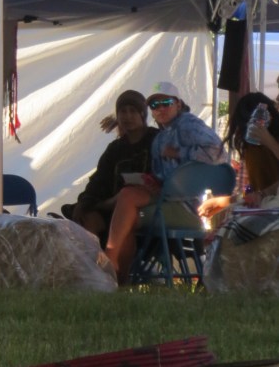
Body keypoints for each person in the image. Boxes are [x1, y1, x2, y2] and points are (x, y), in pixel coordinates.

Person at [103, 81, 227, 284]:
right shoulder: (167, 130)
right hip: (168, 200)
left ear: (178, 104)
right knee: (128, 216)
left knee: (127, 196)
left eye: (166, 103)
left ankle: (111, 261)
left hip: (184, 206)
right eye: (154, 105)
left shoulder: (188, 126)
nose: (160, 109)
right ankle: (120, 281)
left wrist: (179, 153)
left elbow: (220, 155)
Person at [64, 90, 157, 246]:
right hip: (112, 206)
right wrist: (84, 202)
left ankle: (108, 264)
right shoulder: (115, 148)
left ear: (142, 114)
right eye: (123, 111)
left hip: (145, 206)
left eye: (133, 111)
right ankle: (95, 264)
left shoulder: (156, 139)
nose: (127, 116)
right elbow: (98, 179)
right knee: (87, 217)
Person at [199, 92, 279, 221]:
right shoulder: (251, 148)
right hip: (266, 208)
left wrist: (270, 142)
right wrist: (226, 201)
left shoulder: (268, 141)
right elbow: (250, 188)